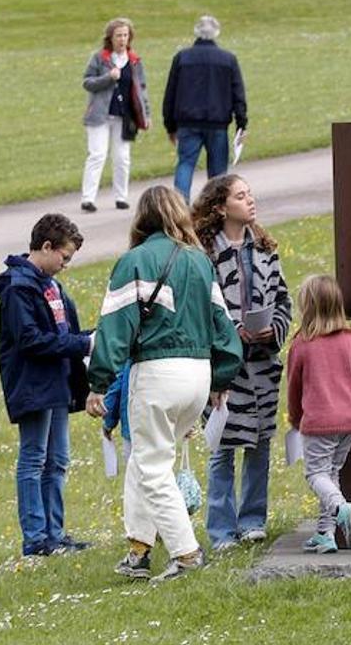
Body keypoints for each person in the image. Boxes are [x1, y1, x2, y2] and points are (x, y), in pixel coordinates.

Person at [88, 187, 244, 582]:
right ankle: (138, 551)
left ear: (142, 217)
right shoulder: (200, 261)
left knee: (152, 466)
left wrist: (98, 383)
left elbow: (114, 330)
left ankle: (186, 552)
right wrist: (221, 377)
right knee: (146, 459)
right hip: (200, 373)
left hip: (157, 373)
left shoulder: (135, 261)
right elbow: (224, 327)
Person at [193, 175, 293, 551]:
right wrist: (231, 332)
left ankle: (253, 520)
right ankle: (221, 531)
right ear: (221, 207)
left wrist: (274, 329)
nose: (250, 201)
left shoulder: (265, 248)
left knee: (260, 443)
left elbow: (283, 299)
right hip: (224, 369)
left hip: (262, 365)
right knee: (222, 447)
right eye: (240, 196)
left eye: (250, 193)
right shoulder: (203, 256)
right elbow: (200, 309)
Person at [0, 214, 98, 558]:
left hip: (58, 382)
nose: (65, 265)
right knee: (34, 458)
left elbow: (65, 335)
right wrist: (82, 346)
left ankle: (56, 533)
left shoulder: (52, 285)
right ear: (47, 246)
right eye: (64, 258)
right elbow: (31, 340)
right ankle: (36, 539)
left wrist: (93, 338)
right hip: (33, 384)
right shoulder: (18, 287)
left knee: (58, 460)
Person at [286, 273, 351, 553]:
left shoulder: (302, 344)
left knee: (315, 475)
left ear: (307, 307)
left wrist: (296, 419)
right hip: (350, 423)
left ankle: (341, 508)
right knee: (331, 474)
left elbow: (294, 388)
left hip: (319, 422)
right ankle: (325, 534)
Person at [163, 15, 247, 201]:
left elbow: (171, 93)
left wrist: (170, 125)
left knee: (185, 164)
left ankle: (181, 206)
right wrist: (241, 123)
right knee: (218, 173)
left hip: (188, 121)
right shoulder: (228, 59)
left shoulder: (182, 57)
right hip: (217, 122)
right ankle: (214, 208)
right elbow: (238, 93)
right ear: (216, 32)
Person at [81, 18, 151, 213]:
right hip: (100, 115)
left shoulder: (135, 61)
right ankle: (88, 198)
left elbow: (141, 89)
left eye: (125, 35)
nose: (122, 39)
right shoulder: (99, 58)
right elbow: (87, 82)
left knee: (122, 158)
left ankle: (121, 197)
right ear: (110, 38)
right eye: (118, 35)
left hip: (124, 116)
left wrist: (147, 114)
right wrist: (108, 78)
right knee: (97, 154)